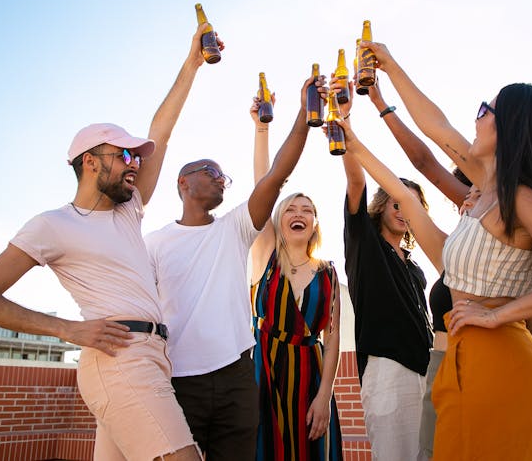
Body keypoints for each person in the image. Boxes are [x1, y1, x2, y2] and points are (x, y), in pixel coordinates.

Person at [342, 40, 532, 460]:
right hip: (464, 357)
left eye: (486, 110)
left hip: (501, 359)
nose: (476, 115)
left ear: (511, 128)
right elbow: (433, 134)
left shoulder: (518, 200)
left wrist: (498, 314)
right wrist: (386, 75)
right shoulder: (485, 193)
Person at [0, 23, 216, 461]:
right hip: (120, 361)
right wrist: (66, 329)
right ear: (92, 162)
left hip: (151, 356)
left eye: (137, 157)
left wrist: (191, 63)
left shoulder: (129, 209)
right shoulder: (52, 225)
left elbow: (163, 130)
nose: (135, 165)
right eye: (125, 156)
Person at [361, 79, 532, 460]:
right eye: (467, 190)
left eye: (475, 187)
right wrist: (380, 104)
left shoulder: (513, 221)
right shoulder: (463, 244)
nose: (468, 195)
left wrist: (499, 315)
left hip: (491, 366)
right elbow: (424, 164)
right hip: (444, 366)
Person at [144, 74, 327, 461]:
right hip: (177, 380)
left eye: (224, 176)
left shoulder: (235, 228)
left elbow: (276, 175)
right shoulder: (155, 243)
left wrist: (302, 112)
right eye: (210, 172)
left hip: (237, 377)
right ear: (183, 183)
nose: (221, 180)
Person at [334, 81, 432, 461]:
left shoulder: (416, 267)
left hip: (427, 370)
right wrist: (345, 122)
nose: (403, 209)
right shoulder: (365, 244)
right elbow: (356, 180)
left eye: (411, 203)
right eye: (396, 201)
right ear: (380, 207)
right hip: (389, 371)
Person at [248, 95, 344, 460]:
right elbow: (265, 185)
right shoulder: (265, 257)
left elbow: (332, 340)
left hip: (312, 379)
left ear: (315, 223)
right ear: (279, 218)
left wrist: (325, 397)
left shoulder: (328, 272)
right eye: (291, 208)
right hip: (265, 375)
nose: (298, 213)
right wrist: (262, 128)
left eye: (307, 210)